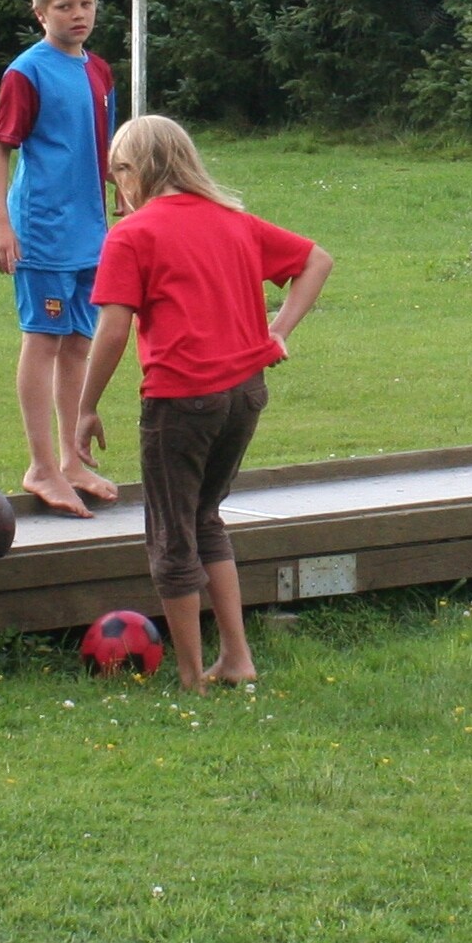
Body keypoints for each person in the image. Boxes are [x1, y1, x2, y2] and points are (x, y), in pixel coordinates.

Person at [76, 115, 330, 691]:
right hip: (244, 396)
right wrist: (277, 331)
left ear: (136, 170)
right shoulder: (231, 221)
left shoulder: (133, 235)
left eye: (118, 173)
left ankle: (191, 677)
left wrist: (84, 407)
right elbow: (317, 260)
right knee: (205, 517)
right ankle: (236, 658)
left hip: (181, 401)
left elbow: (113, 330)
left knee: (171, 535)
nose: (117, 190)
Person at [0, 0, 119, 518]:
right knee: (43, 339)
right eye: (64, 6)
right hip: (43, 230)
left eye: (86, 3)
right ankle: (39, 464)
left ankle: (70, 457)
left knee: (80, 342)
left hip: (91, 231)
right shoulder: (27, 71)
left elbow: (105, 150)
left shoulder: (99, 69)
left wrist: (124, 203)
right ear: (41, 12)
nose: (78, 14)